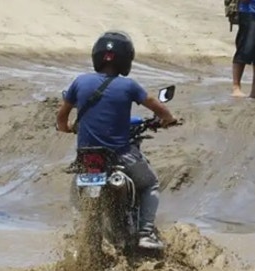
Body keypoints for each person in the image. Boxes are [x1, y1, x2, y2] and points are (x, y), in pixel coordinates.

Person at [55, 31, 178, 251]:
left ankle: (79, 233)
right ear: (125, 59)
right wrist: (168, 119)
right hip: (120, 154)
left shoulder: (80, 82)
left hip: (88, 157)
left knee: (75, 191)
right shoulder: (129, 86)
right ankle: (146, 233)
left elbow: (61, 115)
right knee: (150, 184)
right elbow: (155, 104)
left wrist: (66, 128)